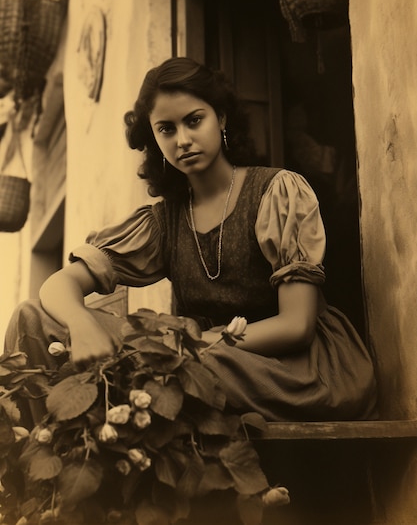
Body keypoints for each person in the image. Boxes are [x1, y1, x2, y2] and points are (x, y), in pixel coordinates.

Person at [5, 56, 378, 424]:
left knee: (172, 362)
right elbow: (60, 284)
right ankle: (42, 450)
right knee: (33, 317)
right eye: (166, 129)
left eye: (194, 121)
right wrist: (82, 324)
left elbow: (296, 325)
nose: (183, 140)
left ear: (222, 118)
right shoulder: (163, 222)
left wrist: (188, 345)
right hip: (199, 359)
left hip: (295, 370)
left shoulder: (275, 192)